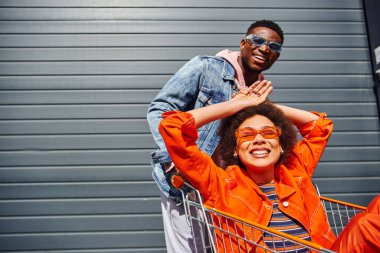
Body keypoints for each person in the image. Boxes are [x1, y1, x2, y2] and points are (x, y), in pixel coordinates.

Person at [159, 81, 380, 253]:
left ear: (281, 146)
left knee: (372, 217)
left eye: (268, 132)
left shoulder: (295, 170)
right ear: (234, 149)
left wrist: (264, 106)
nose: (258, 139)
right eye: (246, 135)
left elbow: (320, 127)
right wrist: (235, 105)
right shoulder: (220, 184)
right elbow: (172, 127)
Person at [147, 19, 284, 252]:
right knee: (190, 249)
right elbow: (159, 110)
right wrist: (175, 160)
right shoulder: (206, 67)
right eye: (258, 41)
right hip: (187, 180)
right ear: (243, 44)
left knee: (224, 246)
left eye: (274, 46)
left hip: (226, 186)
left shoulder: (260, 92)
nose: (265, 49)